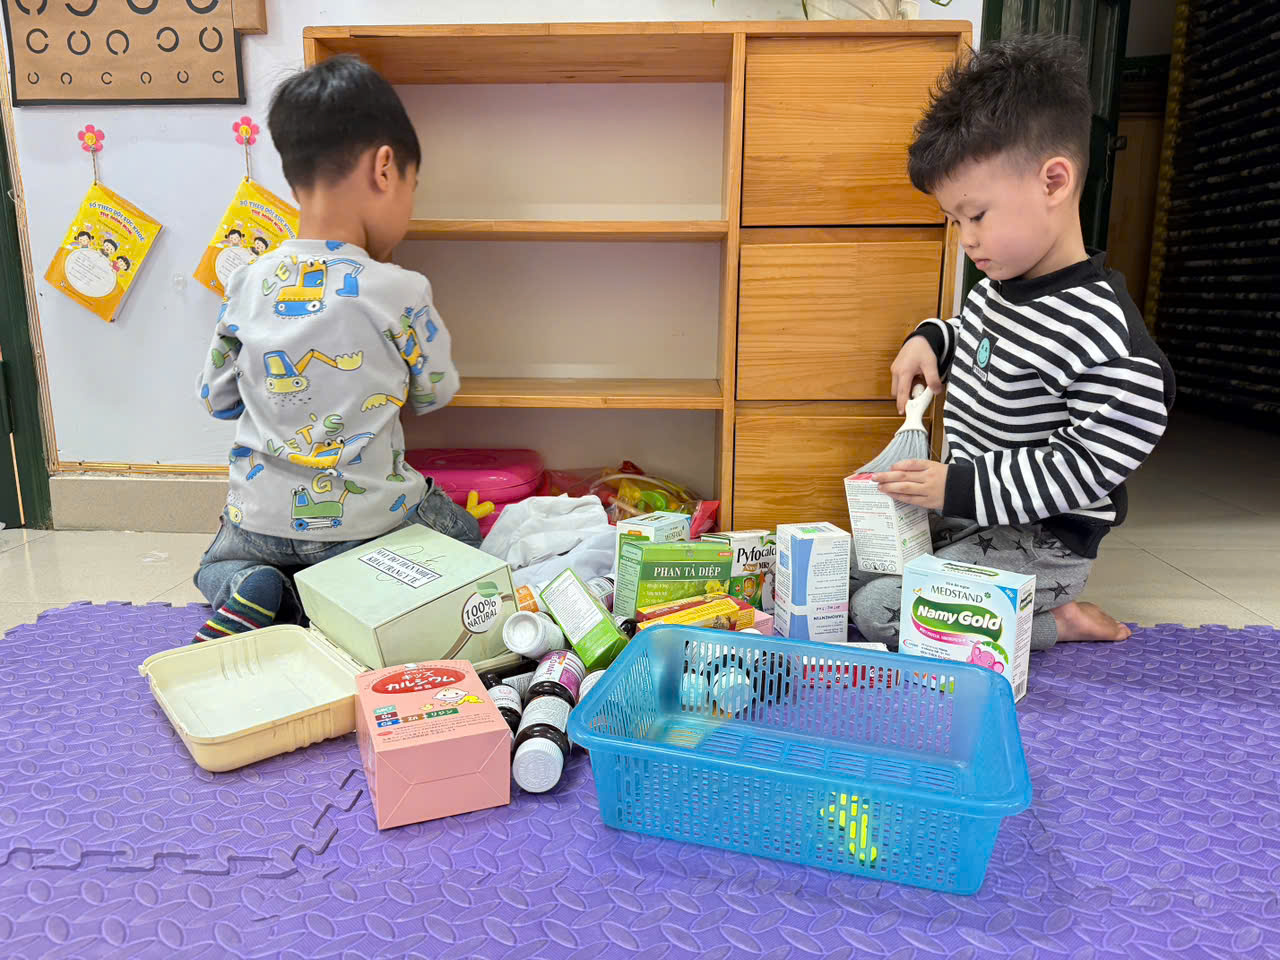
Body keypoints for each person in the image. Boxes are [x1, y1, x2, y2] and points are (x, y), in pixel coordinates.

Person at [849, 34, 1175, 651]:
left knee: (879, 611)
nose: (966, 239)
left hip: (1041, 542)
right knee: (849, 568)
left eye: (977, 215)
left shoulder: (1104, 335)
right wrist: (932, 340)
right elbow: (980, 343)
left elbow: (1087, 467)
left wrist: (958, 487)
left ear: (1054, 182)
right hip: (968, 513)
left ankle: (1057, 621)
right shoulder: (1000, 288)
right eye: (954, 221)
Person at [191, 54, 478, 644]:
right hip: (366, 527)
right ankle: (342, 594)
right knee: (463, 534)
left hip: (258, 521)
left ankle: (254, 585)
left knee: (213, 565)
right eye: (413, 189)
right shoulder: (400, 288)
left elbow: (216, 399)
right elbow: (437, 391)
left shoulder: (246, 281)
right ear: (385, 169)